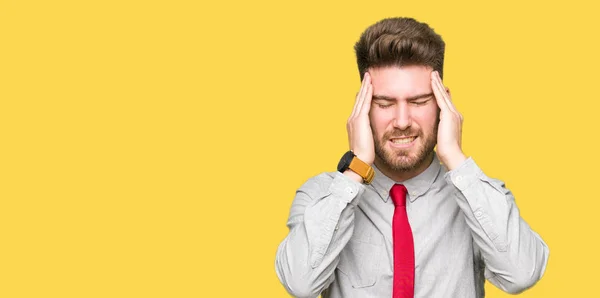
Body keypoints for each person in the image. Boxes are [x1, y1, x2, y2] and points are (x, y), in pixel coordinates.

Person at [274, 17, 549, 298]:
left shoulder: (478, 196)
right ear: (362, 108)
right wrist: (356, 168)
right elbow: (300, 284)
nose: (402, 121)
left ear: (444, 105)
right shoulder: (323, 196)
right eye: (384, 103)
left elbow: (521, 274)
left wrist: (454, 156)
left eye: (418, 102)